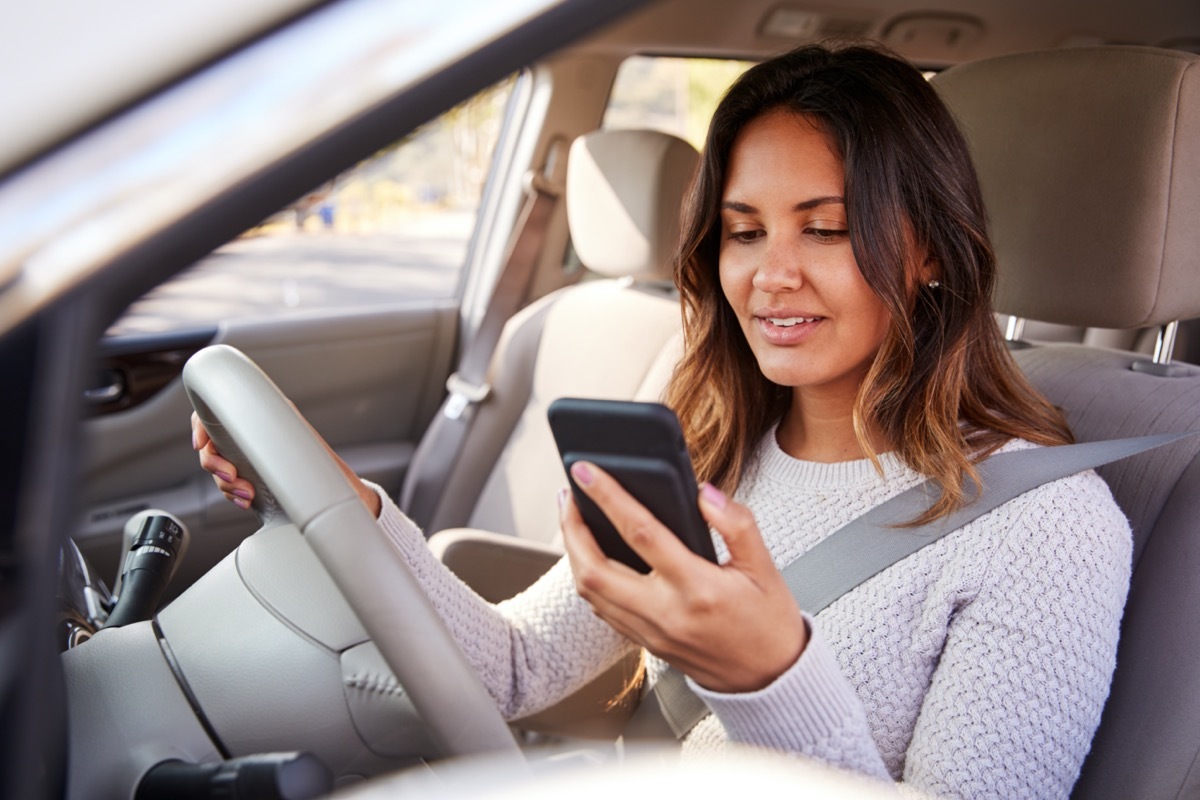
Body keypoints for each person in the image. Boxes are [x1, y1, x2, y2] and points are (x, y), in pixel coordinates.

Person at [194, 42, 1131, 798]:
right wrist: (346, 502)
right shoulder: (715, 448)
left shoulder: (1047, 527)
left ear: (928, 248)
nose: (771, 275)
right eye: (744, 230)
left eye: (826, 227)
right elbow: (515, 670)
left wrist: (770, 675)